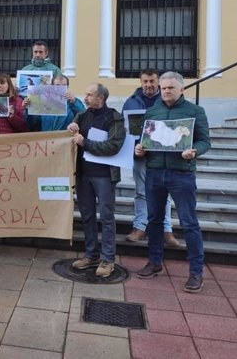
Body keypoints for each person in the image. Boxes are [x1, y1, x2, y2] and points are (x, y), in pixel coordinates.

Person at [134, 71, 211, 293]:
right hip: (155, 172)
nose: (166, 91)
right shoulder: (153, 111)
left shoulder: (195, 111)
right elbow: (145, 141)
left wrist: (195, 151)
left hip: (182, 174)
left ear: (182, 89)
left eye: (171, 88)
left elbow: (205, 141)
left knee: (189, 223)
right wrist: (140, 149)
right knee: (154, 220)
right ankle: (155, 261)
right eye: (164, 87)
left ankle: (196, 272)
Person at [67, 83, 125, 278]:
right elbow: (73, 134)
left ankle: (108, 259)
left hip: (104, 176)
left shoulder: (114, 117)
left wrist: (87, 143)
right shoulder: (82, 115)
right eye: (86, 94)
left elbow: (113, 146)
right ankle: (91, 255)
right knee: (87, 216)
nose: (85, 98)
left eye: (89, 95)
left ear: (101, 98)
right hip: (83, 175)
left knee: (107, 217)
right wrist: (71, 128)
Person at [122, 69, 178, 247]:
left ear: (158, 82)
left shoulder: (167, 100)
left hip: (162, 156)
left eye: (152, 81)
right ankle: (140, 227)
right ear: (140, 82)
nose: (148, 85)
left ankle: (166, 230)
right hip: (139, 155)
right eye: (145, 81)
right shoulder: (130, 102)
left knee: (164, 194)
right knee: (141, 192)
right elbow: (125, 129)